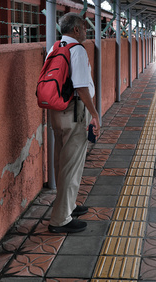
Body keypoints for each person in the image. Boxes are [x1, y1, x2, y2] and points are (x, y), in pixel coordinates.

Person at [48, 13, 100, 234]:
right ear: (76, 30)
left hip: (57, 110)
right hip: (75, 109)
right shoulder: (76, 50)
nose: (87, 32)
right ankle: (60, 219)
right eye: (85, 29)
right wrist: (94, 113)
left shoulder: (56, 47)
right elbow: (81, 86)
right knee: (72, 162)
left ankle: (67, 206)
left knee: (61, 158)